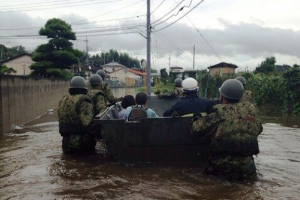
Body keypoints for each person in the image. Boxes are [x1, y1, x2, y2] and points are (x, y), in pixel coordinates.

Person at [190, 79, 263, 181]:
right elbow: (259, 129)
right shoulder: (251, 113)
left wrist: (196, 118)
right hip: (248, 169)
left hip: (221, 169)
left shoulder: (218, 113)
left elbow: (196, 129)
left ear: (222, 96)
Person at [58, 76, 96, 154]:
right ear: (85, 90)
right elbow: (87, 124)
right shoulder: (84, 101)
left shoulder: (63, 101)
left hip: (66, 142)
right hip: (81, 143)